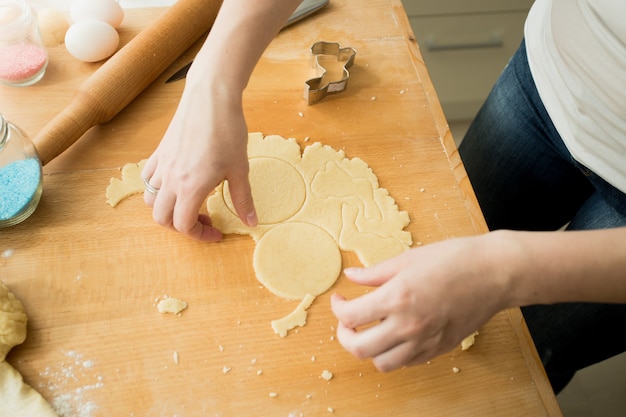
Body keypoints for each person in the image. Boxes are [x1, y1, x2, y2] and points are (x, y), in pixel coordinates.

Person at [141, 0, 626, 394]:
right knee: (436, 257)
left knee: (517, 361)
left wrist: (504, 269)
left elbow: (495, 273)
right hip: (552, 78)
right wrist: (212, 83)